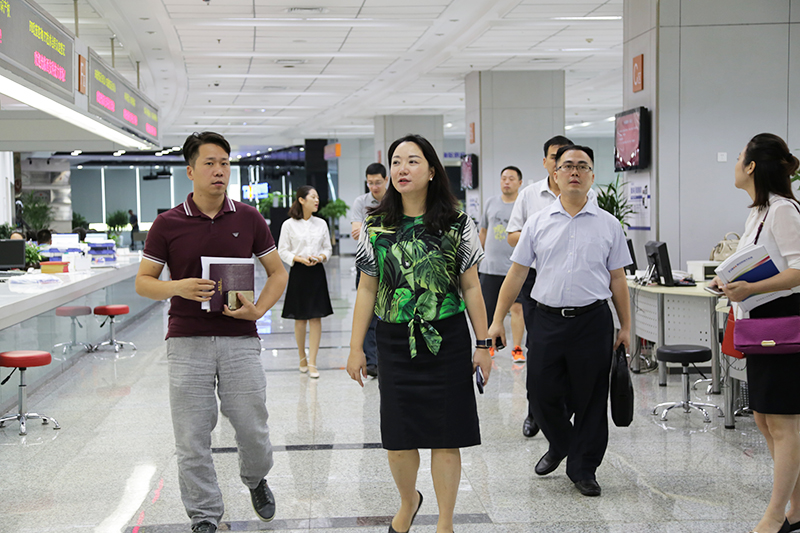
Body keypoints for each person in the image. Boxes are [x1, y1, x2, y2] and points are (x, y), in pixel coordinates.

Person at [135, 131, 288, 533]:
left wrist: (260, 308)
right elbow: (144, 282)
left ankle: (256, 479)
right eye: (210, 163)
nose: (219, 170)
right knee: (191, 436)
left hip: (240, 339)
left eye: (225, 163)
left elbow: (277, 272)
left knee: (253, 428)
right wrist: (178, 287)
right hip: (187, 340)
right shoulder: (167, 224)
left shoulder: (249, 218)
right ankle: (204, 515)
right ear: (190, 170)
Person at [346, 134, 491, 533]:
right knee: (398, 437)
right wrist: (356, 347)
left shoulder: (458, 223)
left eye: (412, 161)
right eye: (396, 161)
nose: (402, 169)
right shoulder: (375, 225)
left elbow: (472, 287)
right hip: (393, 342)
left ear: (431, 171)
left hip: (446, 339)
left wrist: (484, 344)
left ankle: (445, 523)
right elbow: (367, 288)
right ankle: (409, 501)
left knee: (447, 435)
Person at [488, 144, 631, 498]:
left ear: (592, 177)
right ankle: (562, 443)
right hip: (548, 320)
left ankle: (583, 469)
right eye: (567, 166)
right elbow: (517, 274)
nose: (575, 172)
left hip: (593, 321)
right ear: (555, 174)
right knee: (539, 391)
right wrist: (496, 321)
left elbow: (617, 280)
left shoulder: (609, 225)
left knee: (591, 398)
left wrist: (626, 326)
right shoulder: (537, 223)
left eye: (582, 166)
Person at [710, 133, 800, 533]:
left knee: (782, 423)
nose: (735, 164)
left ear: (752, 166)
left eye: (740, 157)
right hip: (761, 323)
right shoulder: (759, 212)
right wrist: (730, 282)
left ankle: (775, 515)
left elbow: (798, 272)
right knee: (765, 419)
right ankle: (796, 508)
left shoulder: (784, 210)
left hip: (783, 322)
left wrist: (750, 288)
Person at [506, 135, 595, 438]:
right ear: (547, 163)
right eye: (558, 159)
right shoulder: (531, 196)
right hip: (537, 278)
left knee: (574, 359)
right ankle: (537, 412)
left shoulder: (588, 195)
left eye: (574, 162)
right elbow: (512, 235)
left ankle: (564, 415)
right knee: (539, 351)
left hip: (579, 286)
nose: (566, 166)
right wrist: (543, 238)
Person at [278, 185, 333, 379]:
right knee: (300, 318)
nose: (317, 200)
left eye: (317, 197)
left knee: (316, 317)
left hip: (317, 271)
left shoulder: (322, 224)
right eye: (313, 197)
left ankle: (313, 362)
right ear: (301, 200)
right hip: (299, 271)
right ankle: (302, 356)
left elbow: (328, 248)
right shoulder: (288, 225)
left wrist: (321, 257)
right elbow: (282, 250)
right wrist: (298, 259)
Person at [478, 165, 526, 362]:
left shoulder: (522, 205)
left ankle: (516, 348)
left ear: (520, 183)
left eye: (511, 178)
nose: (506, 182)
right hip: (490, 267)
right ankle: (489, 346)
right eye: (503, 178)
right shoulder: (490, 203)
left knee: (517, 308)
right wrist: (479, 258)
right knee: (487, 309)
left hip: (514, 269)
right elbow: (483, 232)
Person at [350, 163, 388, 377]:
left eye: (378, 182)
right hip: (368, 263)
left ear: (386, 180)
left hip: (392, 264)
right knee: (368, 312)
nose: (374, 186)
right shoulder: (361, 202)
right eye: (370, 182)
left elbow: (363, 231)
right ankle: (372, 361)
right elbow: (356, 231)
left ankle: (386, 356)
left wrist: (368, 230)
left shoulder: (396, 199)